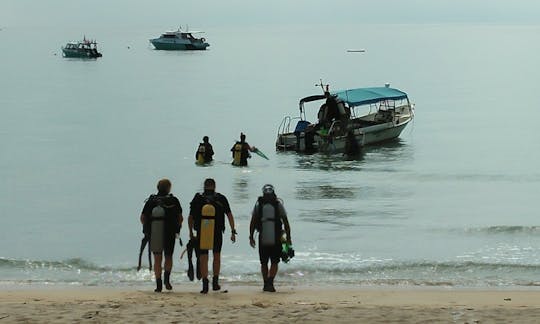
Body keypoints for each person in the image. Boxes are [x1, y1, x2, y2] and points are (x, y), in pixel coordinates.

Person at [188, 178, 237, 293]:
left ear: (204, 186)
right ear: (214, 186)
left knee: (203, 256)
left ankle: (205, 284)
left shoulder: (198, 198)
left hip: (202, 231)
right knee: (216, 256)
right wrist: (233, 231)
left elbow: (190, 217)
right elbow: (229, 215)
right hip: (217, 231)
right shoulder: (221, 198)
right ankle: (215, 283)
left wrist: (190, 232)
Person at [140, 179, 183, 292]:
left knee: (157, 258)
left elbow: (143, 218)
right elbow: (180, 218)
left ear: (158, 187)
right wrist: (177, 228)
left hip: (155, 233)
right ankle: (167, 280)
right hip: (169, 232)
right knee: (168, 256)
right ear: (169, 188)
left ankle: (158, 284)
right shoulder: (173, 200)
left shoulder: (151, 201)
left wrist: (147, 229)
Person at [249, 184, 292, 292]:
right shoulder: (278, 205)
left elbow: (253, 221)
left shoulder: (259, 204)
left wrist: (251, 236)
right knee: (274, 261)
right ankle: (270, 282)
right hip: (276, 236)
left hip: (263, 236)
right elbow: (286, 222)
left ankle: (265, 283)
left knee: (263, 262)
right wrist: (288, 238)